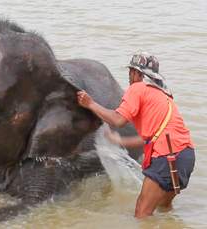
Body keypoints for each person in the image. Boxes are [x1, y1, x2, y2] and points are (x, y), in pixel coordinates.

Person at [76, 52, 195, 219]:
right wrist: (120, 140)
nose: (129, 76)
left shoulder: (138, 88)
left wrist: (90, 103)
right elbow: (151, 137)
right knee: (164, 208)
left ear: (138, 74)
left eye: (131, 71)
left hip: (167, 156)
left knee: (141, 212)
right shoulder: (162, 95)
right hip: (185, 157)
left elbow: (118, 120)